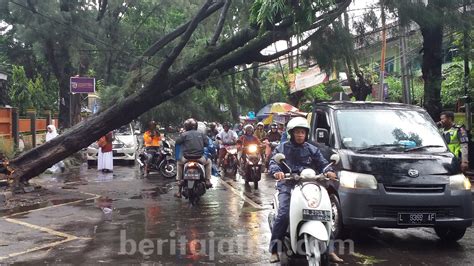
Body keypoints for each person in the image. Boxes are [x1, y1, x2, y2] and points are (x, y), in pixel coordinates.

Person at [268, 117, 342, 263]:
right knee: (283, 213)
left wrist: (329, 171)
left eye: (302, 132)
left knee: (324, 212)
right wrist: (277, 171)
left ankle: (330, 249)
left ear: (306, 133)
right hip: (288, 183)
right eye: (297, 132)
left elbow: (323, 164)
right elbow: (273, 162)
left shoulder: (312, 149)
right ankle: (275, 249)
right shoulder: (282, 148)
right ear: (291, 133)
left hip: (310, 182)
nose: (300, 135)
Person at [175, 118, 212, 198]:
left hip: (186, 158)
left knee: (179, 163)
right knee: (208, 162)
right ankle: (207, 180)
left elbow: (177, 142)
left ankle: (179, 181)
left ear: (186, 126)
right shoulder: (201, 134)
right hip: (199, 158)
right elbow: (206, 144)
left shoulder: (184, 134)